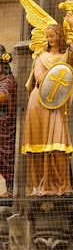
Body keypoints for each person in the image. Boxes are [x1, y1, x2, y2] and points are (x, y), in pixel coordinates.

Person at [22, 12, 73, 196]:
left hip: (56, 104)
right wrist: (71, 77)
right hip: (38, 101)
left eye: (53, 35)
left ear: (59, 36)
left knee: (59, 141)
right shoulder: (40, 57)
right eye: (48, 36)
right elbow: (43, 79)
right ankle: (39, 186)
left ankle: (60, 185)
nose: (50, 39)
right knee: (38, 143)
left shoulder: (66, 56)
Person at [0, 45, 16, 197]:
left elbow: (3, 97)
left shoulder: (8, 81)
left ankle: (13, 189)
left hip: (6, 130)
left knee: (7, 158)